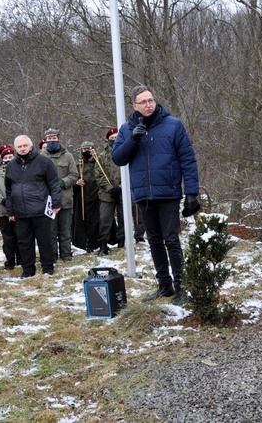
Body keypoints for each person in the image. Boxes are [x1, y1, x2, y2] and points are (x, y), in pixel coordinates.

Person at [112, 86, 201, 304]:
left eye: (150, 100)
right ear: (134, 106)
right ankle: (165, 286)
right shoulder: (127, 129)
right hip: (143, 194)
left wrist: (191, 192)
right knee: (154, 241)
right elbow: (118, 158)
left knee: (171, 239)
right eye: (142, 102)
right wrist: (133, 138)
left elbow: (188, 159)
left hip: (168, 191)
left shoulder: (173, 125)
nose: (148, 104)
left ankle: (182, 287)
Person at [4, 135, 61, 278]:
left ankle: (48, 268)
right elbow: (8, 190)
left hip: (40, 209)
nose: (22, 149)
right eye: (19, 147)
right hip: (21, 212)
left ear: (31, 146)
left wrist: (56, 203)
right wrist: (10, 210)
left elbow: (54, 184)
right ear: (16, 148)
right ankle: (28, 270)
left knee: (44, 241)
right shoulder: (11, 166)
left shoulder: (44, 162)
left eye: (25, 146)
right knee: (24, 243)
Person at [40, 127, 78, 262]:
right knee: (51, 232)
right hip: (48, 201)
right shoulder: (41, 157)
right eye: (49, 139)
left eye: (54, 138)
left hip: (66, 199)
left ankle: (67, 255)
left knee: (65, 231)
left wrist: (62, 183)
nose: (51, 141)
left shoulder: (68, 156)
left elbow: (74, 175)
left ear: (58, 138)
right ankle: (53, 256)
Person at [0, 144, 21, 270]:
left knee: (21, 236)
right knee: (8, 238)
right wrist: (2, 200)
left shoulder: (20, 169)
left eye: (11, 156)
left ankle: (22, 259)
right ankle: (10, 261)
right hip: (3, 210)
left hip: (19, 209)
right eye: (6, 157)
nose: (9, 159)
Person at [96, 128, 124, 256]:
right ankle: (103, 244)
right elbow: (99, 175)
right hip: (107, 194)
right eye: (112, 138)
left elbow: (130, 173)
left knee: (123, 218)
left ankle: (122, 241)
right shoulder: (101, 156)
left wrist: (121, 187)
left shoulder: (126, 153)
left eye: (117, 138)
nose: (114, 140)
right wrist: (110, 188)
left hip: (123, 193)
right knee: (105, 219)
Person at [72, 141, 100, 253]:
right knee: (82, 221)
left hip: (96, 196)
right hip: (81, 197)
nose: (87, 151)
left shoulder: (98, 163)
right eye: (84, 149)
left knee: (97, 220)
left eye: (89, 148)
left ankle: (97, 242)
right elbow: (72, 177)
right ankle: (84, 243)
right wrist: (76, 182)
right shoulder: (77, 164)